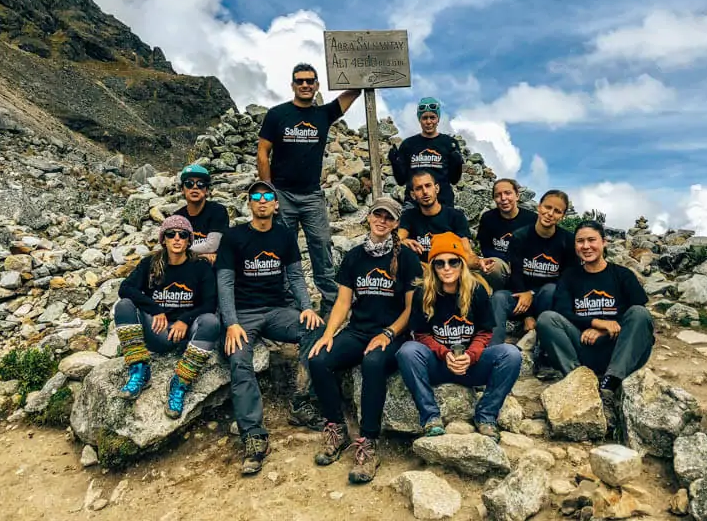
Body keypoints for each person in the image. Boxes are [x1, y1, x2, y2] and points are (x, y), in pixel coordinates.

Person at [308, 196, 422, 484]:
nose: (382, 221)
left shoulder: (407, 258)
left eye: (389, 217)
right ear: (369, 217)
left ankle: (369, 443)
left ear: (396, 223)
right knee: (318, 359)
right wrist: (328, 334)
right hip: (358, 331)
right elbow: (343, 302)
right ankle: (336, 427)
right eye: (377, 215)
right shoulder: (355, 256)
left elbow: (411, 309)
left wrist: (388, 333)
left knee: (373, 364)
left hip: (392, 333)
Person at [217, 180, 325, 475]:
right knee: (239, 360)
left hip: (277, 311)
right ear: (249, 204)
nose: (262, 201)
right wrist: (231, 323)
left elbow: (295, 277)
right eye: (256, 197)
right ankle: (253, 436)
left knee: (315, 330)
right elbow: (224, 283)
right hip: (244, 314)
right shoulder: (234, 236)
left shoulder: (284, 235)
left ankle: (301, 403)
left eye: (268, 196)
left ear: (276, 204)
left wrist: (305, 308)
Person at [257, 63, 362, 316]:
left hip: (312, 195)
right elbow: (262, 152)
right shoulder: (277, 114)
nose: (305, 85)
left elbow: (353, 93)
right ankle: (287, 303)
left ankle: (329, 302)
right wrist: (268, 193)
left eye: (310, 81)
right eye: (300, 81)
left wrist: (363, 73)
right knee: (282, 247)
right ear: (293, 85)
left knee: (321, 244)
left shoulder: (323, 114)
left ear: (316, 85)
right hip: (282, 193)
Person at [396, 233, 521, 440]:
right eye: (440, 263)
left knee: (512, 354)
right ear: (433, 266)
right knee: (407, 351)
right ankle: (431, 418)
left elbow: (485, 332)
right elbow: (421, 334)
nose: (447, 268)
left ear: (462, 263)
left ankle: (486, 416)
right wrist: (445, 354)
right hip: (437, 363)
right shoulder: (423, 293)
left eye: (453, 261)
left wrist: (470, 356)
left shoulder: (477, 290)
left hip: (471, 365)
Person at [537, 220, 654, 429]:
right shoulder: (570, 276)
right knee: (547, 318)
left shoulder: (622, 275)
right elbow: (562, 311)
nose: (586, 246)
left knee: (639, 313)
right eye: (580, 241)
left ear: (604, 242)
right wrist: (596, 322)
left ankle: (612, 381)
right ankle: (577, 378)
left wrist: (605, 330)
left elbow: (639, 314)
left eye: (592, 240)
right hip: (583, 347)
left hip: (618, 350)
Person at [115, 215, 220, 418]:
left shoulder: (200, 267)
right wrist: (155, 309)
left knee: (211, 321)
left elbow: (210, 303)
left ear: (190, 240)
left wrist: (185, 319)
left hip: (186, 335)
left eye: (183, 235)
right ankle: (139, 370)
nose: (177, 239)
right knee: (125, 306)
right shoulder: (150, 264)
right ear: (164, 239)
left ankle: (180, 383)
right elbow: (125, 288)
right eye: (171, 234)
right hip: (156, 331)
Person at [490, 189, 577, 345]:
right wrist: (527, 313)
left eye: (557, 211)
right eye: (547, 207)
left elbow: (566, 280)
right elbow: (515, 274)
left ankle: (543, 341)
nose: (550, 213)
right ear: (539, 207)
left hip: (546, 298)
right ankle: (494, 349)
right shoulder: (519, 236)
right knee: (499, 297)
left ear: (563, 216)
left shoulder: (567, 241)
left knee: (551, 289)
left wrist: (531, 296)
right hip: (519, 294)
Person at [388, 97, 463, 208]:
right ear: (419, 119)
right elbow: (401, 180)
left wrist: (457, 164)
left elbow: (454, 180)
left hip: (443, 203)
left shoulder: (449, 143)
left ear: (438, 119)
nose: (428, 122)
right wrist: (395, 163)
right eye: (424, 118)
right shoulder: (408, 144)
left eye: (432, 117)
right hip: (414, 205)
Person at [476, 179, 538, 290]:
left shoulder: (532, 219)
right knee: (492, 266)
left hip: (524, 266)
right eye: (498, 195)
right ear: (494, 199)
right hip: (500, 263)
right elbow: (485, 247)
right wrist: (506, 260)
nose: (503, 198)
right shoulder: (488, 218)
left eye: (508, 193)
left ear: (517, 196)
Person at [173, 164, 229, 265]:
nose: (195, 187)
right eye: (189, 183)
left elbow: (212, 246)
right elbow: (170, 247)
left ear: (207, 190)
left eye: (200, 184)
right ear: (182, 190)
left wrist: (181, 251)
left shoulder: (217, 211)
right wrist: (200, 255)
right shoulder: (177, 217)